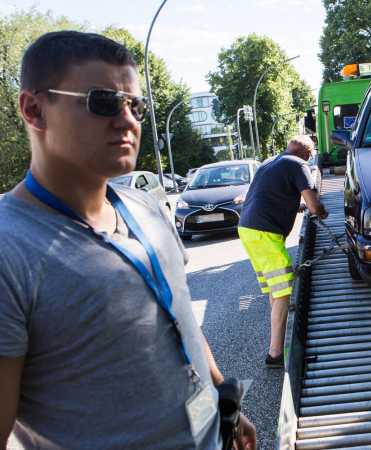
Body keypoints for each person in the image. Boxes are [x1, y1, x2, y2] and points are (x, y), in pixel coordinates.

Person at [0, 31, 256, 449]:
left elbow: (180, 317)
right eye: (103, 102)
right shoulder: (9, 248)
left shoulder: (146, 208)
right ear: (34, 110)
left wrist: (225, 403)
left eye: (136, 105)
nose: (127, 120)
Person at [238, 135, 327, 368]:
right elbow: (315, 205)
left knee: (275, 290)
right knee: (284, 289)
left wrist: (294, 206)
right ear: (307, 153)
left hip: (248, 229)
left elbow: (267, 195)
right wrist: (321, 211)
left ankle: (280, 343)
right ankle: (275, 354)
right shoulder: (299, 165)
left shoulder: (270, 162)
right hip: (265, 232)